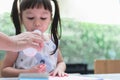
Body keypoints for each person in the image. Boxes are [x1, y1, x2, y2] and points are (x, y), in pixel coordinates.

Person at [1, 0, 67, 77]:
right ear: (21, 18)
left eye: (43, 18)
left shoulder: (52, 41)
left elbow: (61, 62)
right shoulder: (18, 42)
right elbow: (4, 70)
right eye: (30, 18)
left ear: (50, 19)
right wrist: (27, 72)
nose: (37, 23)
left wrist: (59, 69)